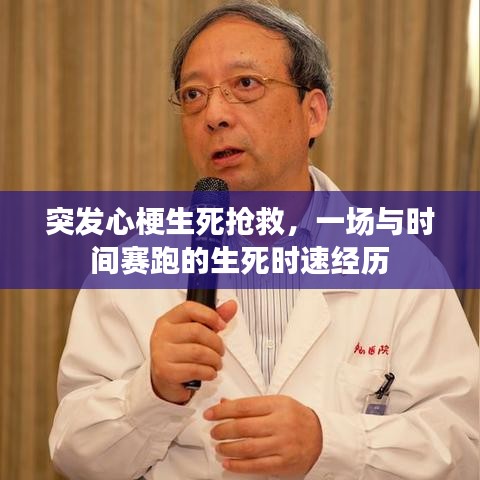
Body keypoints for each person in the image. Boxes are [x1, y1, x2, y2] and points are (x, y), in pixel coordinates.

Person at [49, 2, 479, 479]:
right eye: (193, 94)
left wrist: (328, 443)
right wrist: (151, 392)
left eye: (246, 84)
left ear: (312, 113)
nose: (214, 114)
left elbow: (464, 445)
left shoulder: (404, 268)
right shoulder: (130, 270)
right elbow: (75, 453)